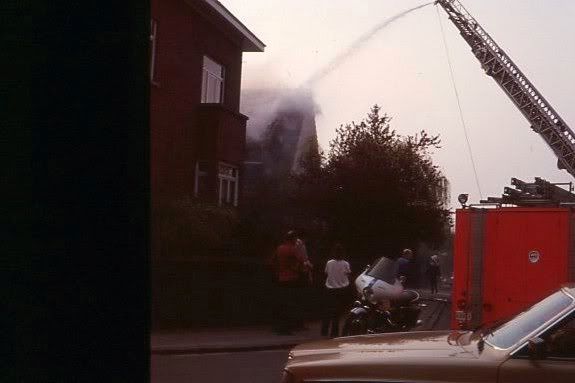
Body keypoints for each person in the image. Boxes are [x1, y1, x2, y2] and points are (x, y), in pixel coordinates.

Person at [273, 230, 306, 335]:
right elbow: (301, 260)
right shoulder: (292, 249)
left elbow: (274, 260)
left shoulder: (280, 248)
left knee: (282, 304)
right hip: (292, 278)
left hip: (281, 278)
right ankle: (287, 328)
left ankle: (279, 327)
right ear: (292, 239)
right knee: (290, 304)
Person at [321, 243, 351, 337]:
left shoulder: (329, 263)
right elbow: (348, 273)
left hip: (330, 289)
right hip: (341, 290)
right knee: (337, 313)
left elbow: (326, 273)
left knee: (328, 310)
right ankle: (334, 333)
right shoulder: (345, 263)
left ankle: (324, 331)